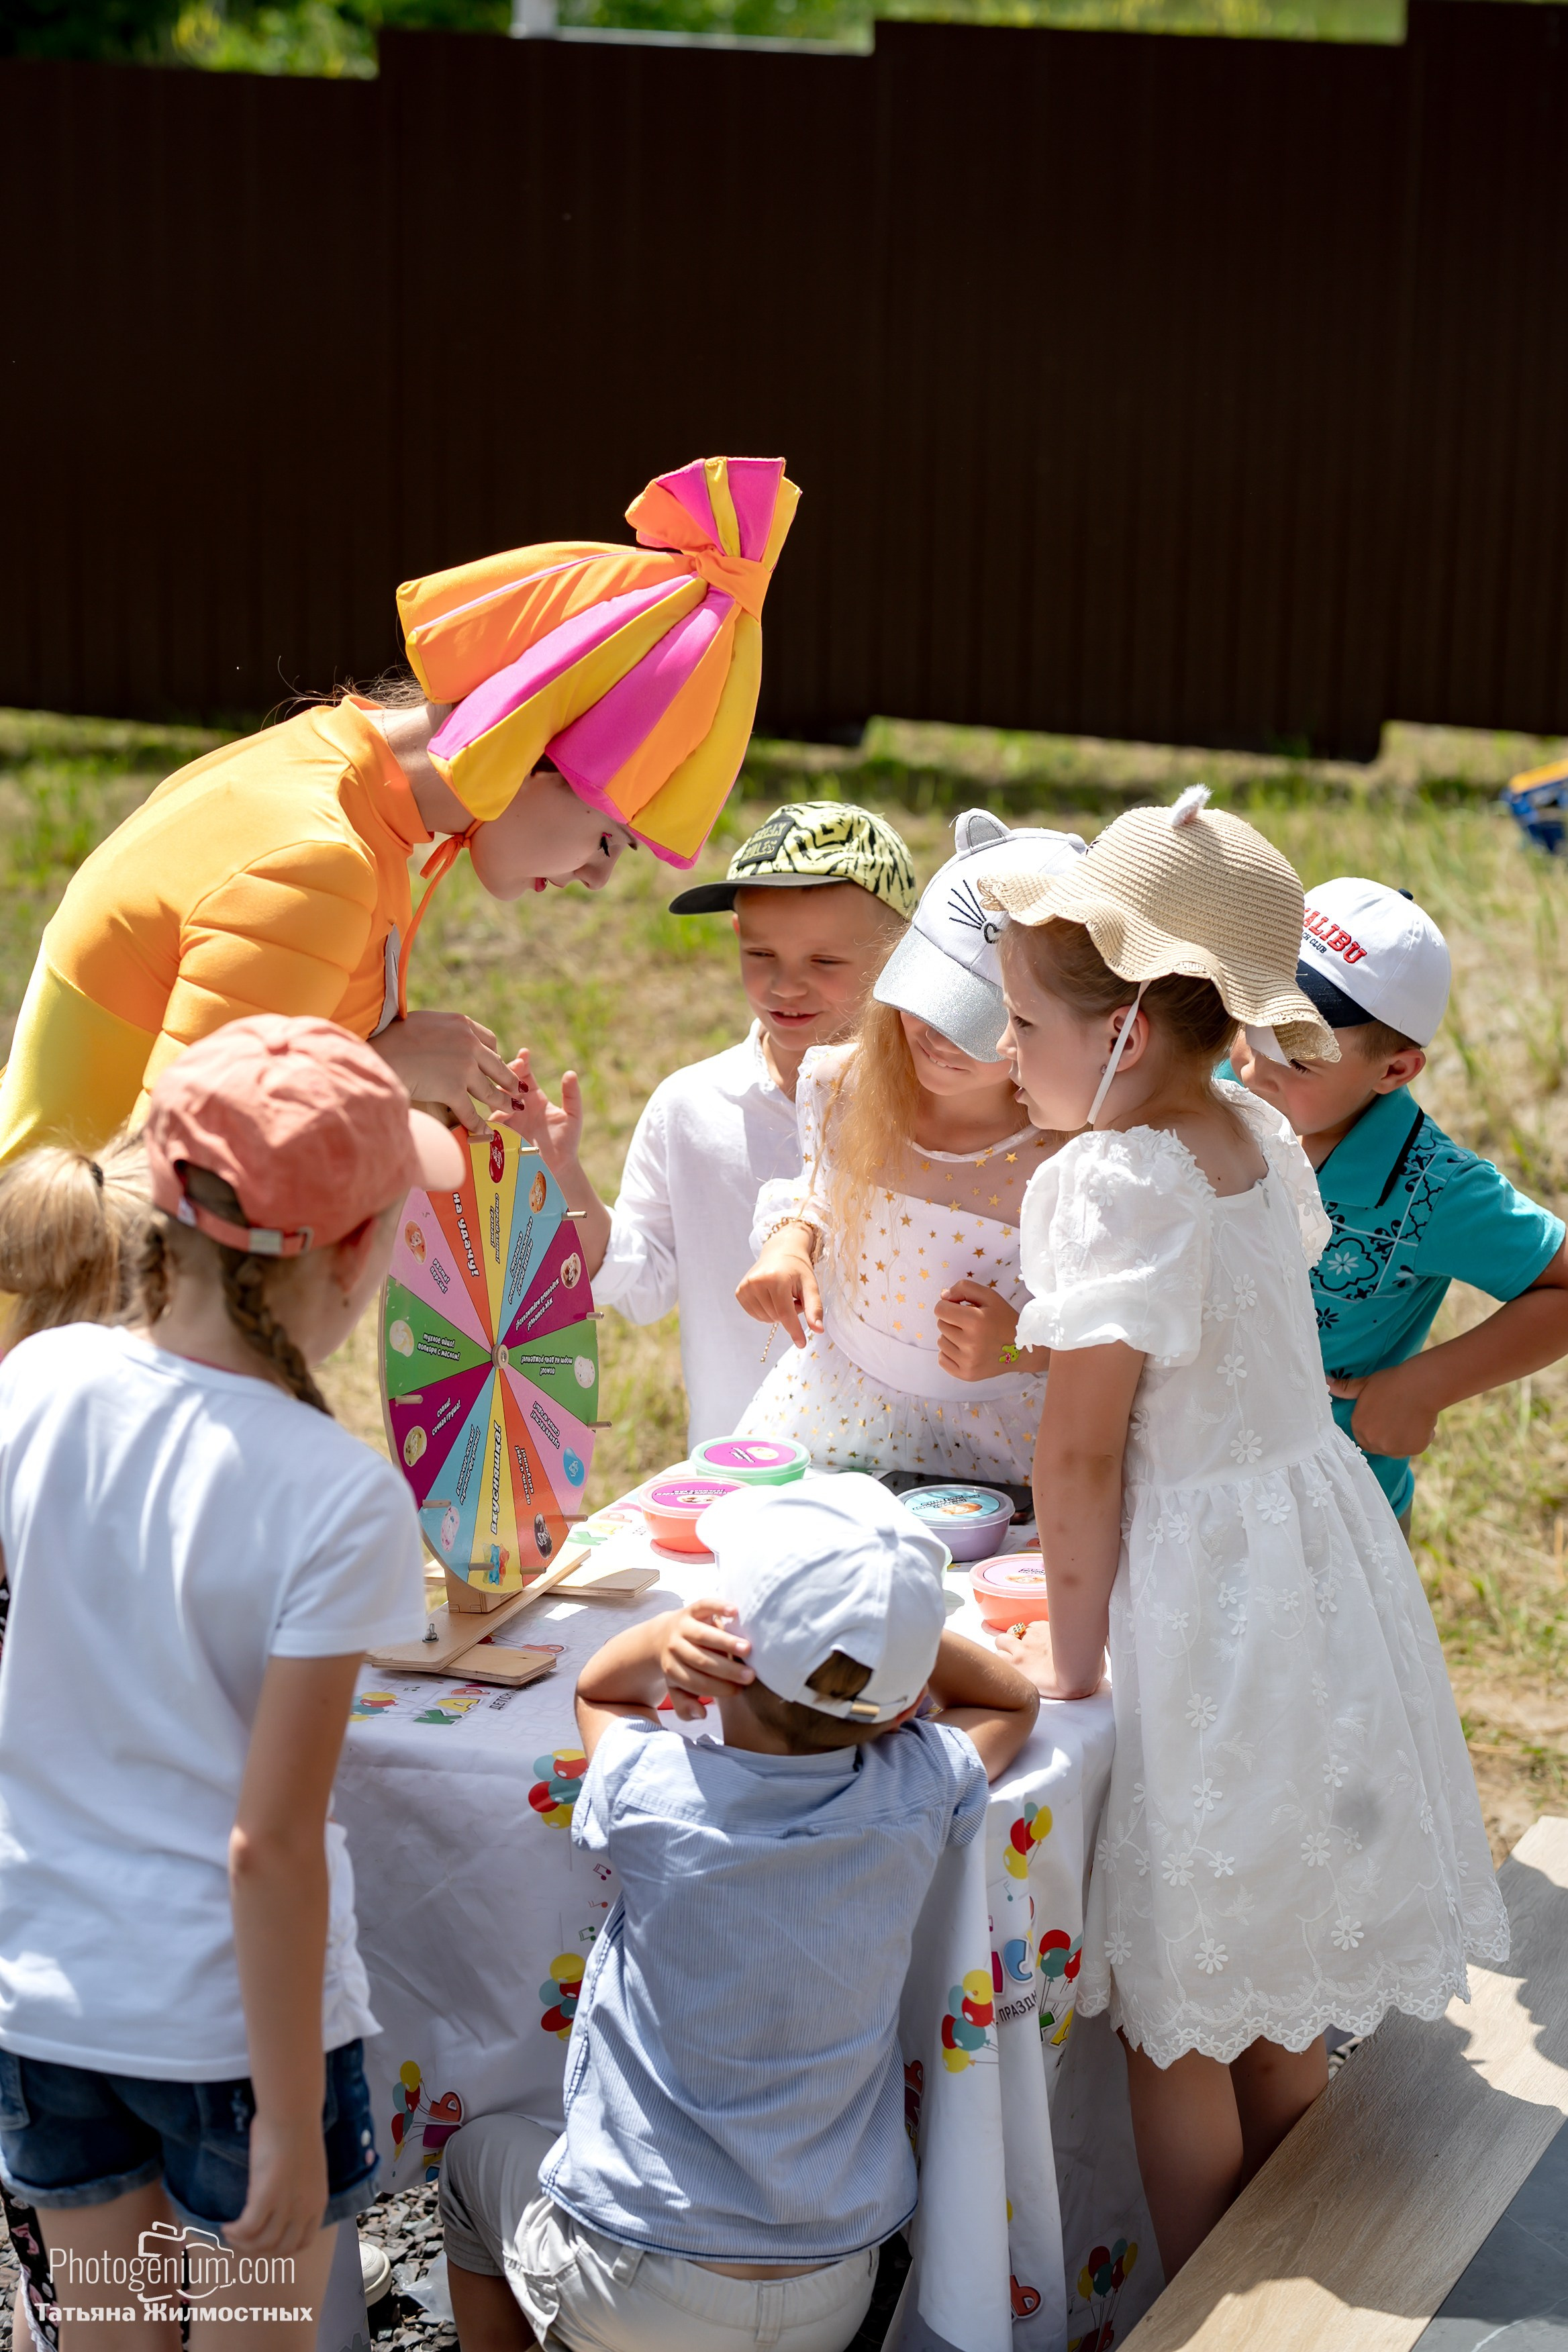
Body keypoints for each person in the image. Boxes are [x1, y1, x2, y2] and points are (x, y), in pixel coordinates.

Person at [983, 790, 1506, 2280]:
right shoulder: (1251, 1131)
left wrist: (1072, 1684)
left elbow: (1079, 1452)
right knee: (1270, 1990)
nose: (1005, 1050)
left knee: (1171, 2013)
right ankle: (1310, 2274)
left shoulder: (1111, 1179)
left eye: (1024, 1024)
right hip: (1305, 1568)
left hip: (1199, 1600)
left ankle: (1209, 2311)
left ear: (1127, 1031)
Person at [0, 1015, 461, 2351]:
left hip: (47, 1993)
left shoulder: (38, 1378)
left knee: (104, 2338)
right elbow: (268, 1849)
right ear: (360, 1251)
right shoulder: (337, 1497)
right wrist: (284, 2120)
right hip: (228, 2032)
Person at [0, 456, 798, 1162]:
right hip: (62, 1320)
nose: (593, 877)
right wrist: (385, 1069)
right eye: (609, 839)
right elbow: (179, 1174)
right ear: (536, 762)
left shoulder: (317, 762)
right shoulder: (315, 862)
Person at [437, 1475, 1039, 2352]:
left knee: (468, 2170)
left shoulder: (654, 1787)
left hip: (636, 2279)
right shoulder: (915, 1792)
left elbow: (599, 1694)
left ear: (721, 1653)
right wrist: (894, 1645)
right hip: (834, 2283)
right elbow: (1009, 1701)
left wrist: (661, 1639)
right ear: (910, 1704)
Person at [507, 802, 917, 1449]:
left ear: (900, 954)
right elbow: (641, 1285)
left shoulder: (931, 1106)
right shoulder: (690, 1108)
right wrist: (565, 1176)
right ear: (734, 933)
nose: (787, 985)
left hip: (904, 1471)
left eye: (825, 963)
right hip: (741, 1474)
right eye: (761, 953)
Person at [732, 812, 1084, 1480]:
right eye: (932, 995)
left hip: (1001, 1445)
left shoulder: (1072, 1149)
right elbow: (819, 1192)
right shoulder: (846, 1085)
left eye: (983, 1021)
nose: (940, 1037)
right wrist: (790, 1241)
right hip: (838, 1412)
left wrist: (1021, 1348)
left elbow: (1120, 1333)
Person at [1228, 876, 1568, 1532]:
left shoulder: (1431, 1188)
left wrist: (1423, 1386)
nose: (1252, 1069)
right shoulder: (1213, 1091)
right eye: (1253, 1022)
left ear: (1393, 1072)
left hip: (1334, 1522)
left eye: (1295, 1059)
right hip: (1180, 1489)